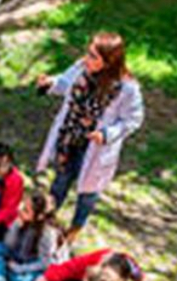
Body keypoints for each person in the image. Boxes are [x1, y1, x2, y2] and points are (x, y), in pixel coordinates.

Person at [35, 32, 144, 238]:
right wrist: (50, 83)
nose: (87, 59)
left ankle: (74, 230)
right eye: (88, 53)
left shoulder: (127, 89)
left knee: (87, 193)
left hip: (95, 148)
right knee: (60, 181)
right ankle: (45, 222)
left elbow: (133, 120)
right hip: (70, 138)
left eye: (94, 56)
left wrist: (107, 133)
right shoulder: (81, 69)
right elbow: (65, 83)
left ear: (109, 62)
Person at [0, 192, 68, 281]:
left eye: (26, 210)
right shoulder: (23, 219)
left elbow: (45, 263)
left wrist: (19, 268)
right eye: (23, 205)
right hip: (21, 254)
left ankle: (0, 269)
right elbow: (9, 244)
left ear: (40, 216)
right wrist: (16, 225)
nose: (20, 209)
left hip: (38, 265)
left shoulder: (47, 233)